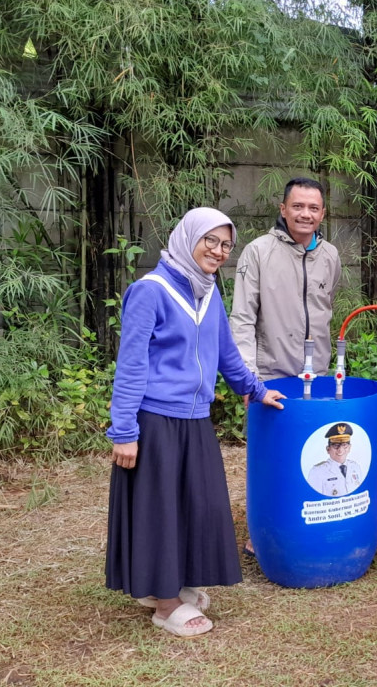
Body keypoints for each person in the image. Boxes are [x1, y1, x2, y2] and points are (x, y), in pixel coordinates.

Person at [106, 207, 285, 638]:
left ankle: (173, 584)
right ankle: (164, 605)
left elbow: (226, 354)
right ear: (189, 237)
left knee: (193, 507)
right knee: (160, 512)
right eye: (211, 240)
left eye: (226, 245)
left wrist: (257, 390)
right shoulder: (149, 291)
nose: (218, 251)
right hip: (157, 420)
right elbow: (130, 365)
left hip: (196, 420)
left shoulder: (207, 293)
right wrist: (125, 431)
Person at [231, 177, 341, 553]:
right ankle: (265, 530)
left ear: (322, 213)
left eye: (313, 208)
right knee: (272, 457)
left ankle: (309, 521)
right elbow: (242, 318)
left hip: (319, 374)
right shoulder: (258, 252)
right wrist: (248, 378)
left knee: (312, 449)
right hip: (271, 374)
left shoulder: (330, 255)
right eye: (298, 206)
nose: (305, 214)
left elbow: (327, 307)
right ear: (283, 209)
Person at [307, 423, 363, 497]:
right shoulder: (317, 472)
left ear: (349, 448)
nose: (340, 450)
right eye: (336, 445)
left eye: (344, 445)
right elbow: (312, 498)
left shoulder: (355, 467)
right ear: (328, 449)